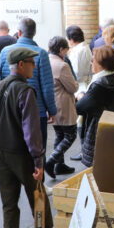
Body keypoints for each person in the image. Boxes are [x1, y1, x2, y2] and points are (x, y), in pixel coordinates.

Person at [0, 47, 58, 228]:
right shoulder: (26, 91)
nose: (34, 66)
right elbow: (31, 129)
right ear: (21, 65)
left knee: (9, 201)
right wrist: (38, 159)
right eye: (31, 62)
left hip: (1, 151)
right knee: (37, 195)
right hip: (22, 154)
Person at [0, 18, 58, 147]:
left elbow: (1, 79)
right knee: (37, 148)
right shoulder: (41, 53)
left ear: (19, 32)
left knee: (16, 148)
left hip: (10, 108)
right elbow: (47, 86)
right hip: (37, 110)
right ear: (34, 32)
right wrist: (52, 110)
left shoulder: (4, 51)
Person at [75, 46, 114, 167]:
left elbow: (79, 108)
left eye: (93, 60)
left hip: (99, 130)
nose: (91, 63)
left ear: (101, 64)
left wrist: (80, 96)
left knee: (98, 167)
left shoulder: (99, 85)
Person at [46, 36, 79, 178]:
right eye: (66, 50)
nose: (66, 53)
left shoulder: (45, 60)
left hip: (52, 104)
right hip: (63, 104)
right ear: (61, 49)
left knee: (59, 134)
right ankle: (51, 162)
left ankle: (60, 165)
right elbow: (73, 87)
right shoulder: (62, 65)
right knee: (71, 135)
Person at [66, 25, 93, 94]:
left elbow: (75, 72)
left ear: (71, 39)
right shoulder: (85, 47)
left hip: (80, 87)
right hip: (87, 83)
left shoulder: (77, 51)